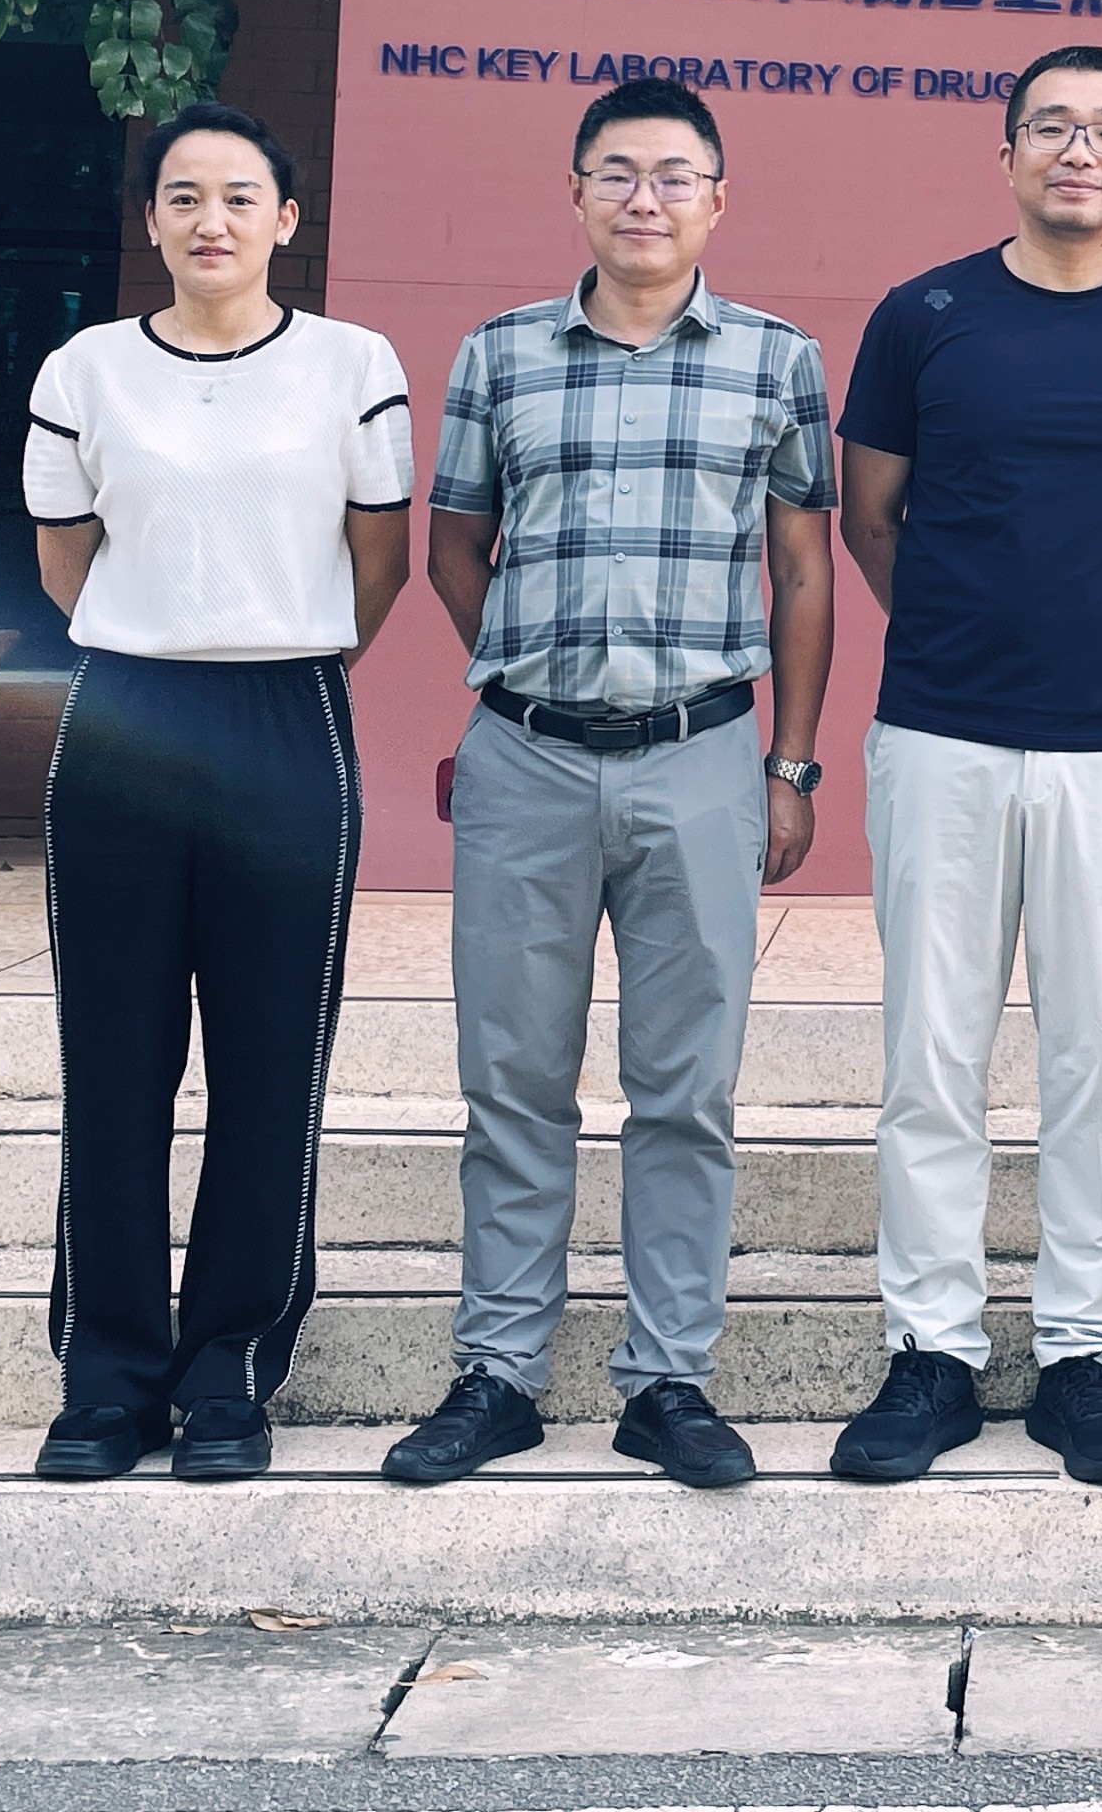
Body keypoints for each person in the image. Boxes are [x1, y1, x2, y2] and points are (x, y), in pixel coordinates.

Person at [381, 79, 837, 1495]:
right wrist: (530, 674)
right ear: (575, 192)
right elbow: (454, 544)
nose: (647, 199)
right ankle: (499, 1373)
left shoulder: (778, 361)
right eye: (619, 173)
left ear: (718, 200)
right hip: (525, 758)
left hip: (703, 757)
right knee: (512, 1077)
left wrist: (790, 764)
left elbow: (804, 570)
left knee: (685, 1086)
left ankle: (668, 1380)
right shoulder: (500, 354)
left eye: (675, 175)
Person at [830, 46, 1102, 1488]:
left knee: (1098, 1058)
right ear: (1006, 152)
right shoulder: (924, 316)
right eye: (1052, 126)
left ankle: (1084, 1356)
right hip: (938, 731)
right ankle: (931, 1353)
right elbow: (871, 518)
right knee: (930, 1055)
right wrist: (967, 631)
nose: (1080, 150)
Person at [23, 102, 413, 1485]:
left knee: (270, 1060)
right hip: (125, 713)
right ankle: (109, 1375)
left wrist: (279, 648)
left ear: (286, 220)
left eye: (242, 197)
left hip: (285, 715)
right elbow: (64, 557)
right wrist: (162, 637)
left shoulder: (352, 365)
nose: (212, 221)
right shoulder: (85, 368)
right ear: (151, 220)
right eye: (184, 196)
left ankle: (233, 1367)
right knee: (114, 1058)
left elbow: (379, 557)